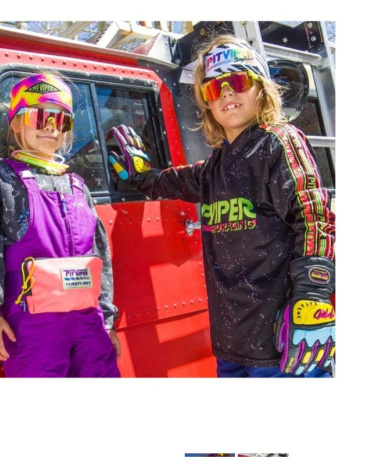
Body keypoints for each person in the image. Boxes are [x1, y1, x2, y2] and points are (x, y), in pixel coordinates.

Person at [108, 36, 335, 378]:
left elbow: (314, 216)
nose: (227, 94)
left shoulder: (278, 141)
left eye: (237, 82)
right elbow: (174, 181)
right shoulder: (216, 166)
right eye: (215, 89)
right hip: (232, 344)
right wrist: (143, 177)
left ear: (261, 89)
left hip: (282, 343)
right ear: (208, 104)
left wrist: (313, 295)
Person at [0, 72, 121, 377]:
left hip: (89, 325)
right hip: (33, 330)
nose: (50, 127)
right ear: (16, 123)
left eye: (61, 120)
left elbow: (100, 256)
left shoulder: (77, 185)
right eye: (40, 116)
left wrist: (107, 320)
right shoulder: (0, 176)